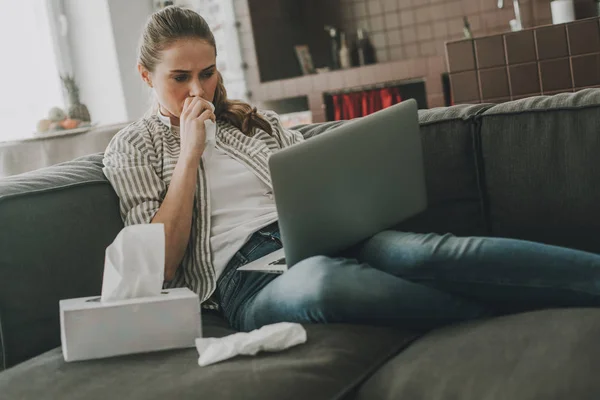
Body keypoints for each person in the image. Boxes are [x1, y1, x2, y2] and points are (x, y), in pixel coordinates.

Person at [103, 6, 600, 333]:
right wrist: (188, 153)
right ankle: (497, 321)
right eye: (180, 77)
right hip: (243, 282)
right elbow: (162, 264)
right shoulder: (133, 148)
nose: (197, 90)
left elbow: (318, 184)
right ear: (146, 76)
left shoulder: (257, 124)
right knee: (322, 283)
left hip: (316, 240)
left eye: (207, 73)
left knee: (426, 251)